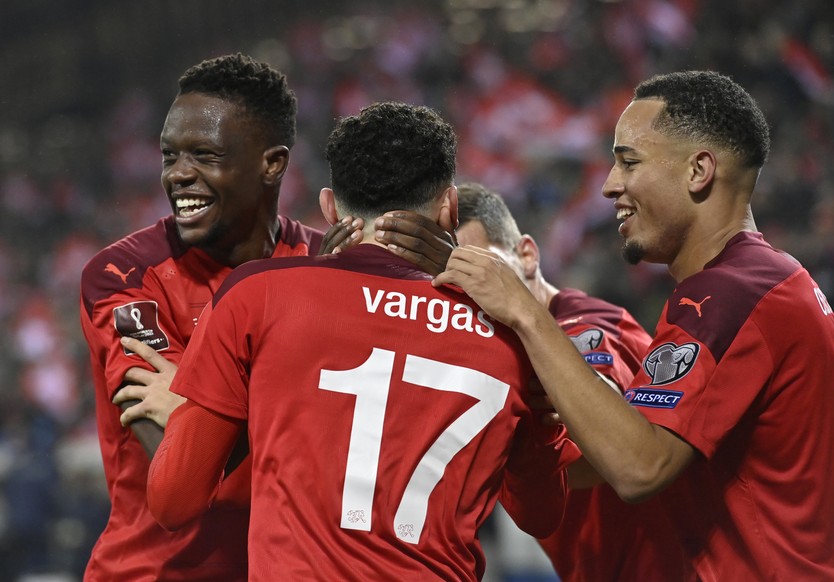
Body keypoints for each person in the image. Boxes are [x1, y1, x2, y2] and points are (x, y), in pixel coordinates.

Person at [436, 70, 834, 579]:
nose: (608, 185)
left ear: (698, 171)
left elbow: (638, 465)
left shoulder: (732, 294)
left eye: (629, 161)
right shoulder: (763, 282)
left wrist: (526, 313)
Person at [146, 101, 577, 581]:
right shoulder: (512, 334)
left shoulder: (258, 295)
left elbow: (174, 502)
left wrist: (199, 411)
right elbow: (542, 515)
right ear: (450, 207)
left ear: (329, 207)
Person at [79, 52, 382, 581]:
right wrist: (306, 408)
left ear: (272, 163)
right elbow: (176, 460)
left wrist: (202, 404)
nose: (179, 175)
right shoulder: (123, 276)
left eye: (204, 155)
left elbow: (373, 449)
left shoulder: (327, 267)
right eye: (169, 156)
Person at [455, 182, 687, 581]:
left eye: (481, 270)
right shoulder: (505, 350)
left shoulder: (580, 328)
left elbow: (602, 455)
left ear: (527, 255)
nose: (471, 294)